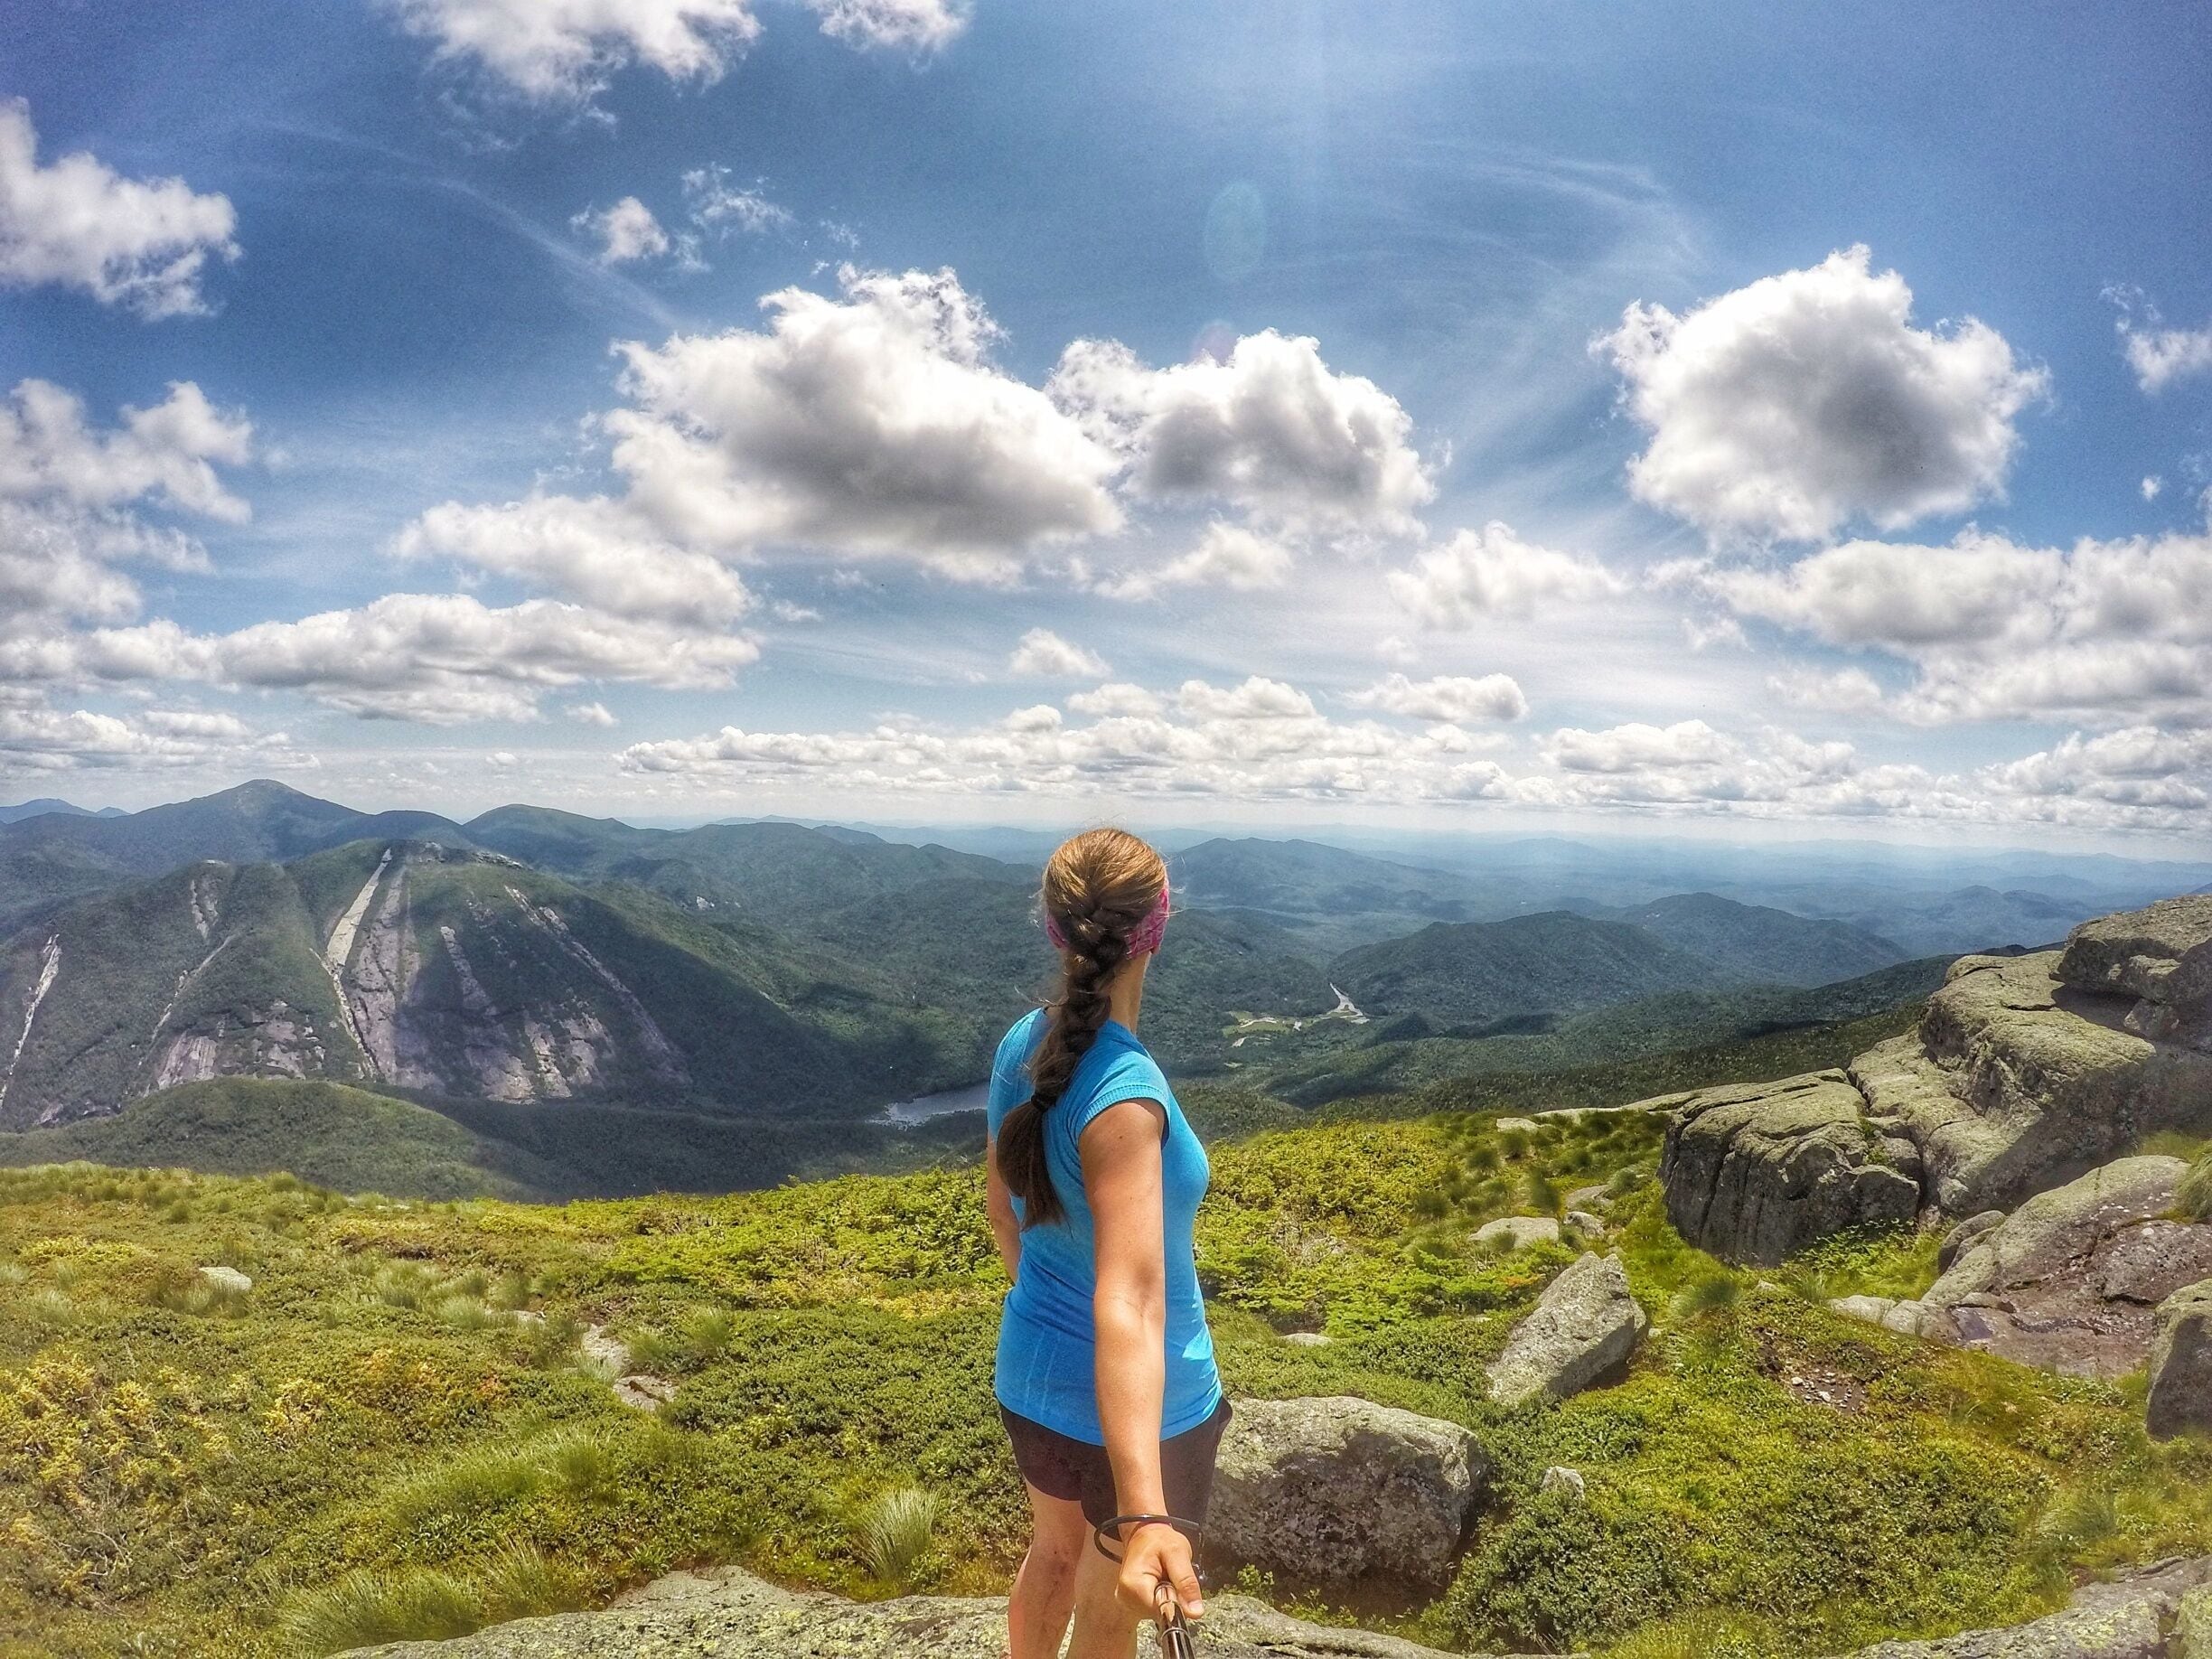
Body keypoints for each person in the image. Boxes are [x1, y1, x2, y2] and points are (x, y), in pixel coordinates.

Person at [986, 827, 1227, 1659]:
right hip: (1141, 1409)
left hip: (1030, 1374)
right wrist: (1147, 1511)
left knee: (1051, 1555)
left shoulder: (1026, 1043)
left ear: (1055, 929)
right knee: (1109, 1599)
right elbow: (1130, 1299)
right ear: (1158, 928)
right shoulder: (1126, 1096)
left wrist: (1050, 1311)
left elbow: (1001, 1207)